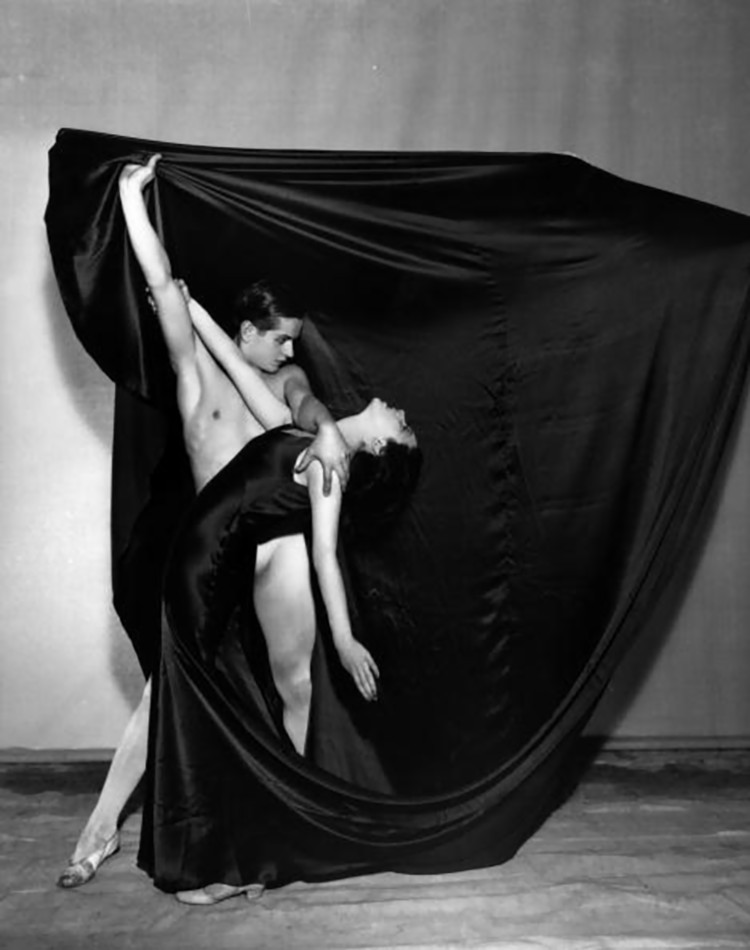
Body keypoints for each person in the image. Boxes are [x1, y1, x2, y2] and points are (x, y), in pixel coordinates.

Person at [57, 154, 351, 889]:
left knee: (296, 682)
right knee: (165, 690)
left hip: (277, 544)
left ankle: (287, 824)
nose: (291, 350)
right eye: (280, 337)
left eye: (294, 341)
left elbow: (304, 406)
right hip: (213, 549)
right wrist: (131, 198)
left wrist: (326, 427)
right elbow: (161, 283)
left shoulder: (285, 378)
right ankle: (99, 833)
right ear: (246, 330)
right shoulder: (194, 373)